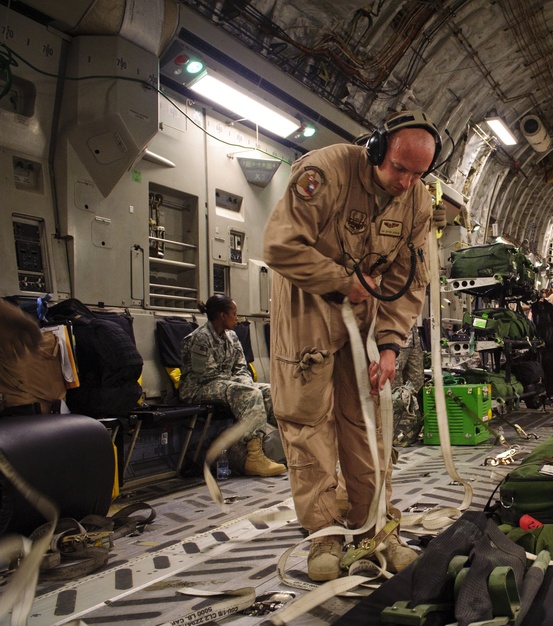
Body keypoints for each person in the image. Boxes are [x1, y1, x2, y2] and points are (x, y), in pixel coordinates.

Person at [263, 109, 437, 581]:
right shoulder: (326, 172)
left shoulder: (418, 202)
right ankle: (323, 536)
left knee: (367, 423)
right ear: (377, 149)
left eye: (418, 173)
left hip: (364, 316)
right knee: (308, 421)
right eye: (399, 168)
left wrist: (389, 347)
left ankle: (374, 528)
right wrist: (343, 281)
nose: (406, 182)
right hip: (306, 309)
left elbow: (407, 280)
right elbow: (279, 245)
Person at [180, 295, 286, 477]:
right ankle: (254, 456)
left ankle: (288, 446)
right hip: (198, 388)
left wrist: (244, 381)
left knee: (269, 391)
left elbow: (241, 368)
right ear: (222, 316)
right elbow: (207, 375)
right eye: (234, 314)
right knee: (248, 393)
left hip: (225, 383)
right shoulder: (199, 339)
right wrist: (241, 384)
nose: (237, 319)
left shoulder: (232, 337)